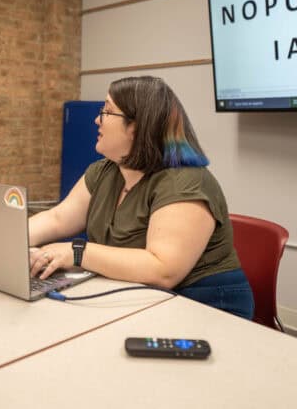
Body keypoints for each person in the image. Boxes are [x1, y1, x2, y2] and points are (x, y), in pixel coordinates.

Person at [28, 76, 254, 319]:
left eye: (106, 111)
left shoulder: (184, 181)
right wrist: (11, 240)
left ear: (136, 126)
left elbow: (163, 269)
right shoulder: (105, 171)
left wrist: (78, 252)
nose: (97, 119)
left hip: (205, 306)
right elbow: (58, 218)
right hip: (139, 296)